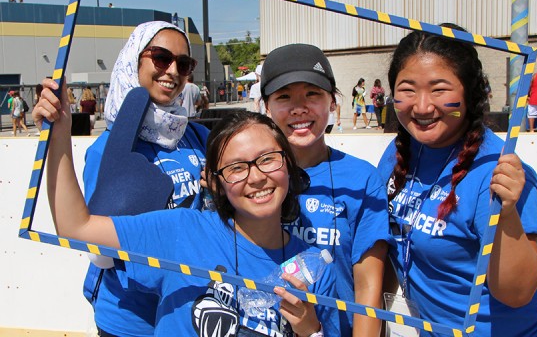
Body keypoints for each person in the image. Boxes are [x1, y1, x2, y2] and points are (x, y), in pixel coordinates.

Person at [33, 83, 340, 336]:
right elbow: (76, 227)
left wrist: (311, 330)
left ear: (288, 164)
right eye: (236, 167)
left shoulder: (313, 268)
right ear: (216, 182)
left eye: (267, 159)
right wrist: (59, 134)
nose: (256, 177)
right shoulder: (181, 231)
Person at [377, 25, 537, 336]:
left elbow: (517, 292)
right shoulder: (396, 155)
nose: (423, 105)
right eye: (407, 89)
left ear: (469, 93)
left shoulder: (494, 171)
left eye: (440, 89)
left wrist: (507, 213)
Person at [47, 21, 209, 336]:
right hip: (132, 319)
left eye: (184, 64)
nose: (173, 71)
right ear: (134, 60)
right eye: (161, 58)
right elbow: (98, 249)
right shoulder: (108, 148)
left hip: (188, 311)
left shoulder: (197, 136)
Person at [261, 43, 392, 335]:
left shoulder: (362, 180)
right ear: (266, 107)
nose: (299, 108)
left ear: (332, 102)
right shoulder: (250, 174)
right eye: (284, 97)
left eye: (312, 94)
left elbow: (369, 287)